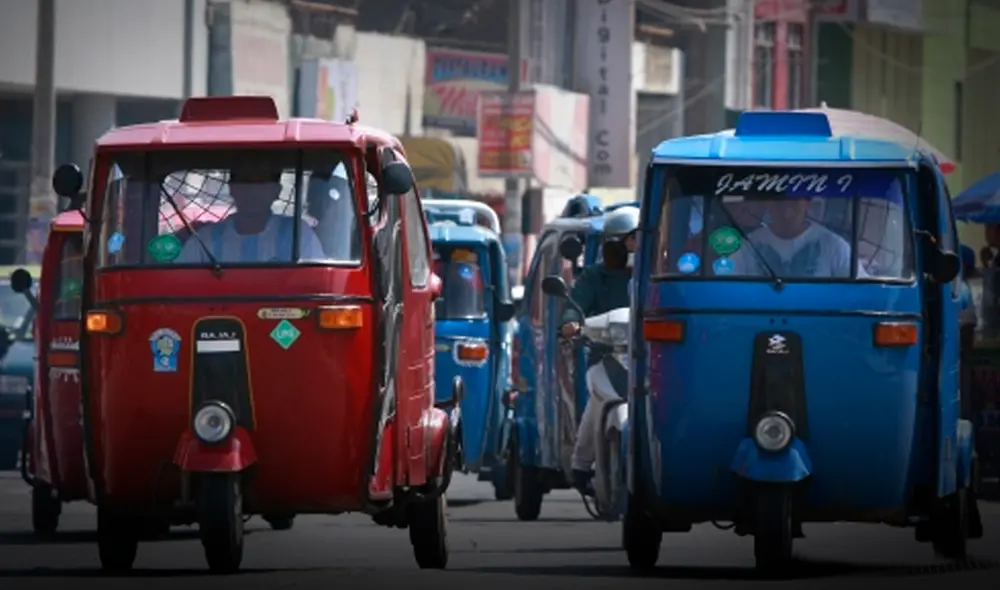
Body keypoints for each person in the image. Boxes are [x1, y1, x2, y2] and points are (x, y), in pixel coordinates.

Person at [560, 207, 638, 494]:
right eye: (630, 240)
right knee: (601, 396)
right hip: (605, 355)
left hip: (649, 357)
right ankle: (582, 464)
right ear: (614, 244)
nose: (636, 246)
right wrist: (570, 323)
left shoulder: (656, 272)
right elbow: (574, 304)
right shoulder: (595, 275)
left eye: (640, 239)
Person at [175, 166, 325, 264]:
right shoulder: (206, 239)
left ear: (276, 191)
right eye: (246, 184)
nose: (253, 193)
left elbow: (317, 282)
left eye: (261, 185)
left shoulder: (297, 235)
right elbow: (180, 284)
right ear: (232, 189)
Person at [729, 197, 861, 278]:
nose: (786, 213)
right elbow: (725, 285)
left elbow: (861, 288)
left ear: (807, 203)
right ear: (768, 202)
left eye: (794, 202)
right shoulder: (748, 245)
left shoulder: (834, 246)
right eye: (779, 203)